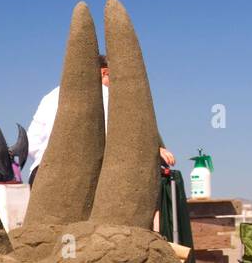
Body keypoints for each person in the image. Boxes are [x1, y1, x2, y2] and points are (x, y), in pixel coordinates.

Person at [26, 53, 174, 184]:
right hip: (82, 177)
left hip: (40, 175)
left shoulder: (51, 96)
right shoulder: (104, 95)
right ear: (105, 72)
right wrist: (152, 149)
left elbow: (31, 143)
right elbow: (119, 135)